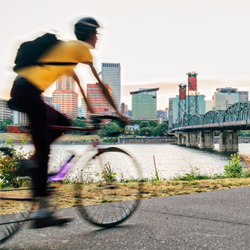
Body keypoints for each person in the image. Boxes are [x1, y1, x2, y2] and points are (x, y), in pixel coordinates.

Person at [10, 17, 129, 228]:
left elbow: (77, 81)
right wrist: (119, 115)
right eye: (96, 34)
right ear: (89, 34)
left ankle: (35, 163)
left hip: (25, 90)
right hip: (28, 91)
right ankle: (42, 212)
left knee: (63, 121)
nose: (97, 38)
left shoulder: (68, 51)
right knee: (43, 152)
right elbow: (100, 85)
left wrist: (91, 111)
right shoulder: (80, 48)